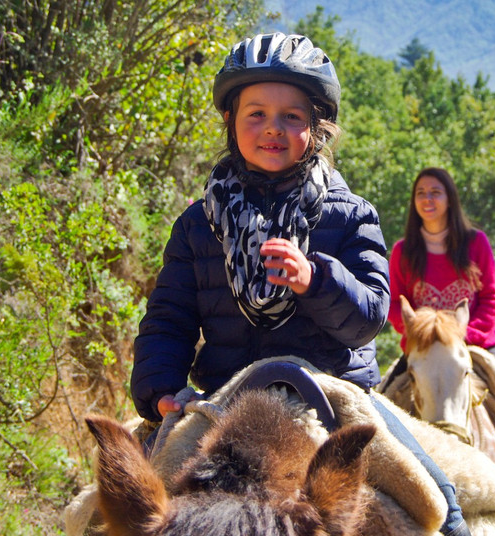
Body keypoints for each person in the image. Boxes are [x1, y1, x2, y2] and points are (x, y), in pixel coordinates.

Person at [130, 32, 470, 536]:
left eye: (292, 116)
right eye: (256, 114)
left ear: (316, 127)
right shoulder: (198, 224)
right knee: (117, 511)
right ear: (230, 121)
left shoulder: (351, 215)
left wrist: (318, 279)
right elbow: (168, 320)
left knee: (439, 503)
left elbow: (369, 317)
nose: (274, 128)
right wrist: (161, 390)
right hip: (227, 395)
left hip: (334, 391)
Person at [387, 166, 495, 526]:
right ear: (414, 203)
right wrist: (418, 335)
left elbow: (492, 297)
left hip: (472, 342)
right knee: (380, 400)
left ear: (449, 199)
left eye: (435, 192)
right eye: (421, 194)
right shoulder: (402, 250)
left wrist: (465, 334)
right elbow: (395, 304)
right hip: (423, 348)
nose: (428, 200)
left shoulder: (475, 243)